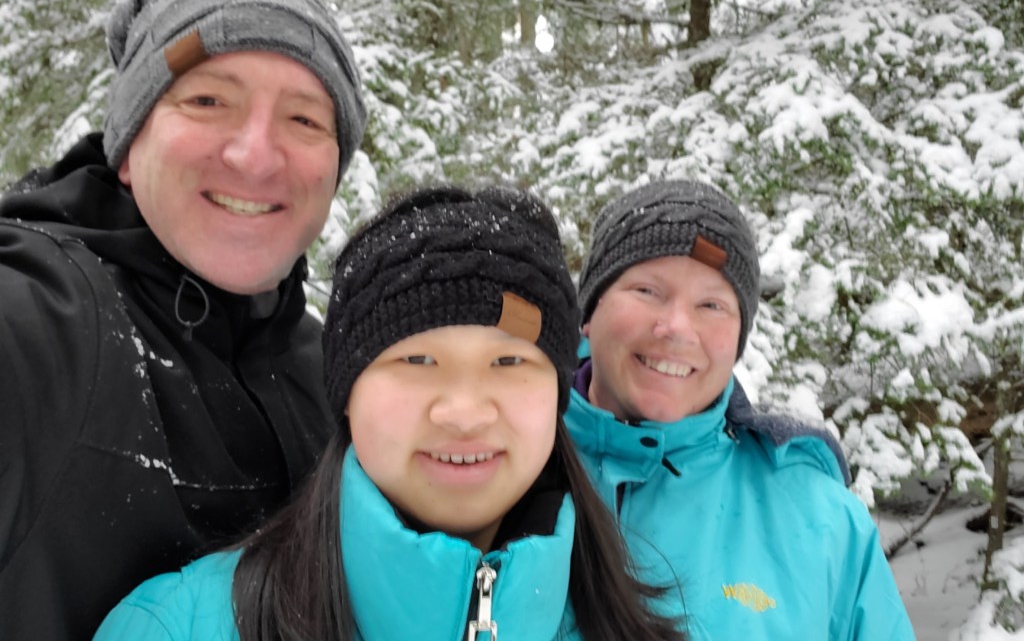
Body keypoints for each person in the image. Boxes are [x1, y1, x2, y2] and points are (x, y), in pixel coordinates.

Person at [91, 185, 685, 641]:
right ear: (347, 395)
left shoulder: (647, 628)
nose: (464, 412)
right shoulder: (178, 627)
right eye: (417, 360)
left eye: (508, 362)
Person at [0, 0, 367, 641]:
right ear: (129, 145)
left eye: (304, 120)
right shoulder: (37, 321)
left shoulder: (335, 376)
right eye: (207, 101)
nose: (255, 156)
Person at [566, 179, 916, 640]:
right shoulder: (506, 469)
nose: (677, 327)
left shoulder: (824, 522)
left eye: (711, 304)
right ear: (589, 312)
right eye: (647, 290)